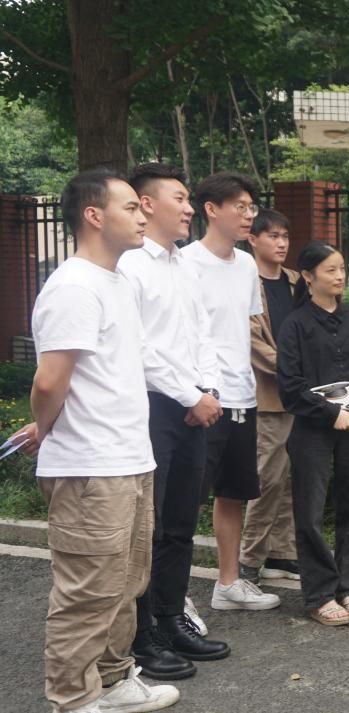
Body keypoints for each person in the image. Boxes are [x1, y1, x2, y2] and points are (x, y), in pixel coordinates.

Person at [15, 169, 180, 712]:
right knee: (87, 593)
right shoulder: (74, 287)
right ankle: (72, 699)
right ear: (93, 215)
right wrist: (48, 427)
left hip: (129, 458)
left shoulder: (117, 281)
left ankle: (112, 681)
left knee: (126, 583)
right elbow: (49, 382)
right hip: (90, 467)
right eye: (130, 207)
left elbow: (103, 374)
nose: (142, 215)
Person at [117, 163, 231, 680]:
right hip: (152, 408)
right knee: (151, 526)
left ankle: (170, 619)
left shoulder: (184, 264)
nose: (189, 208)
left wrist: (207, 390)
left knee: (182, 524)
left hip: (193, 405)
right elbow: (138, 346)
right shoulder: (129, 265)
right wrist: (189, 394)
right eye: (180, 198)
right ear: (147, 204)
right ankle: (142, 636)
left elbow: (202, 334)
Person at [184, 171, 281, 612]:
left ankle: (228, 584)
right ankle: (170, 593)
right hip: (202, 397)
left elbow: (245, 327)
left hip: (243, 395)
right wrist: (194, 390)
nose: (248, 215)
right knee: (185, 498)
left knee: (233, 494)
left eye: (251, 207)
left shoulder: (245, 265)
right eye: (239, 207)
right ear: (211, 209)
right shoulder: (185, 263)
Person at [277, 242, 349, 625]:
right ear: (308, 276)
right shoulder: (294, 325)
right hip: (311, 431)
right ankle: (319, 594)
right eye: (331, 270)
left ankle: (346, 586)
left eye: (342, 268)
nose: (340, 276)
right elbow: (290, 386)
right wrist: (330, 412)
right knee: (310, 513)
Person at [239, 208, 303, 584]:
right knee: (267, 479)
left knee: (292, 478)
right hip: (267, 396)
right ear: (253, 239)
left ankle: (282, 553)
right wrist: (295, 370)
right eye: (273, 236)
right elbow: (251, 340)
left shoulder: (296, 282)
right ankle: (249, 558)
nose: (281, 243)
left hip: (301, 396)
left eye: (285, 236)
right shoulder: (246, 283)